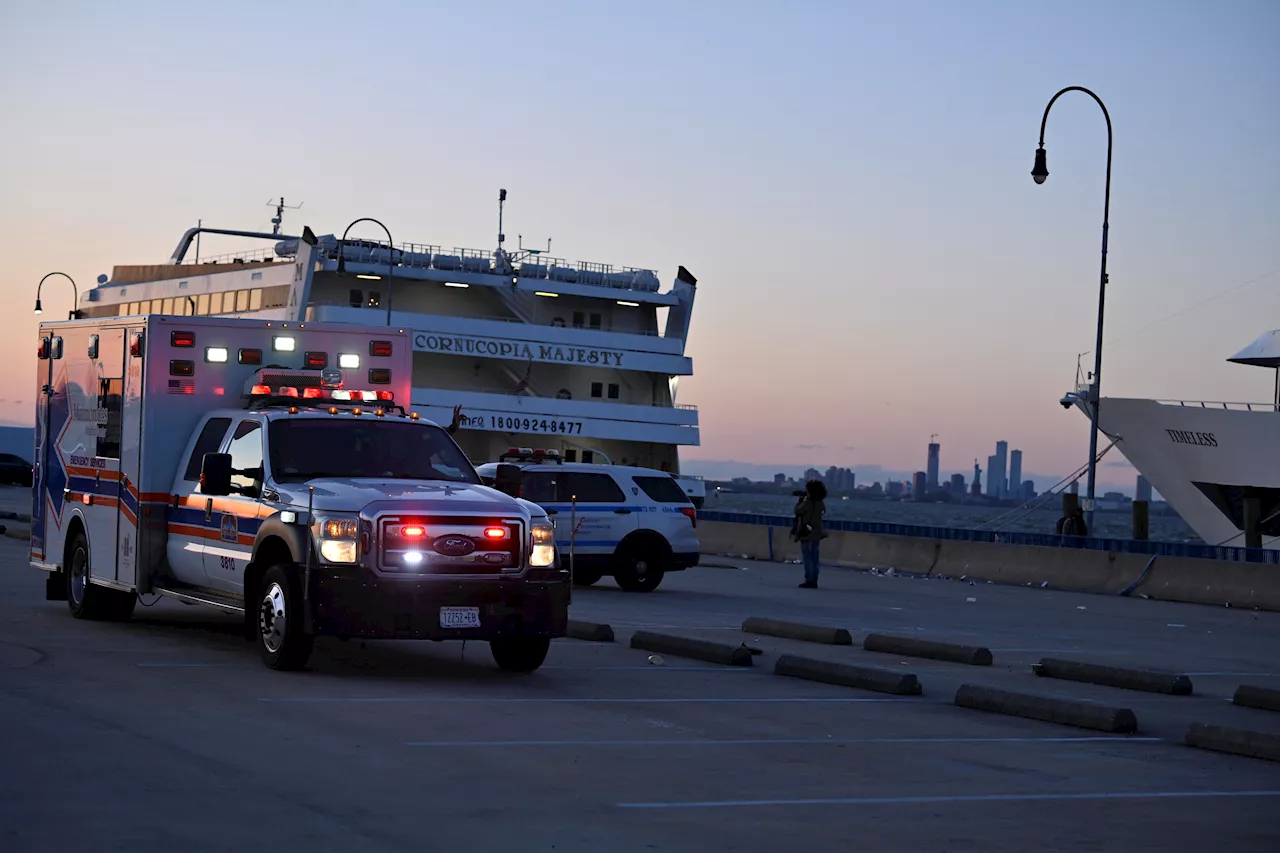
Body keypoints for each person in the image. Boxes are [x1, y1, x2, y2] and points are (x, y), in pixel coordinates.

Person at [792, 479, 828, 588]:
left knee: (808, 558)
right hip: (816, 533)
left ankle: (809, 580)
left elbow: (797, 511)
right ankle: (814, 580)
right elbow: (822, 512)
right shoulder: (820, 503)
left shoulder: (808, 503)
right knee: (814, 559)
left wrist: (800, 500)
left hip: (807, 534)